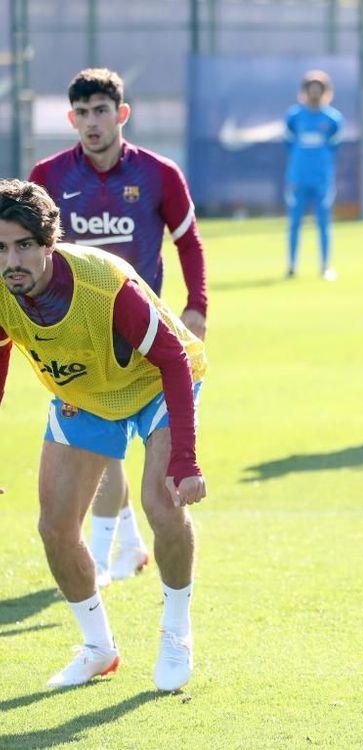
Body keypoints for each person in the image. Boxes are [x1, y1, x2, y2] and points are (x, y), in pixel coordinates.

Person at [0, 179, 206, 690]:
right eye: (0, 248)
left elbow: (173, 360)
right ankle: (98, 648)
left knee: (162, 505)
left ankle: (176, 630)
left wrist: (185, 458)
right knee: (55, 527)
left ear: (49, 243)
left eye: (24, 245)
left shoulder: (102, 285)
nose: (12, 260)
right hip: (87, 394)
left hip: (155, 382)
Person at [29, 68, 209, 588]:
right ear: (71, 118)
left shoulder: (158, 173)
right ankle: (122, 548)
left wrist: (197, 303)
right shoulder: (49, 176)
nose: (91, 122)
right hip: (75, 333)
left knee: (119, 455)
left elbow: (189, 241)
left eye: (101, 111)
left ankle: (116, 548)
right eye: (81, 113)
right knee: (103, 452)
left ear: (121, 114)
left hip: (141, 330)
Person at [285, 69, 343, 280]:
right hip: (298, 179)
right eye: (311, 90)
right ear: (305, 92)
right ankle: (291, 266)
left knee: (324, 223)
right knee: (294, 224)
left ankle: (326, 266)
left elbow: (334, 146)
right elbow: (289, 143)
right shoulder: (294, 117)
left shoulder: (333, 119)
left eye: (319, 90)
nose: (315, 94)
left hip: (322, 180)